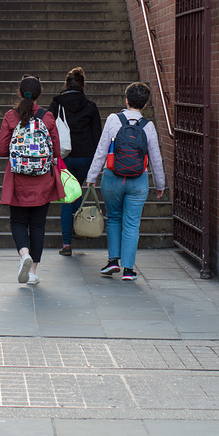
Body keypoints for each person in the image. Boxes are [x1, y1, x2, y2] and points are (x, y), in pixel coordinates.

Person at [86, 81, 165, 281]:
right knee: (132, 224)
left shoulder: (113, 120)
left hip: (113, 177)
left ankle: (113, 261)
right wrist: (160, 184)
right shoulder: (148, 126)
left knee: (113, 218)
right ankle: (128, 270)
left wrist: (92, 177)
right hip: (138, 180)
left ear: (126, 100)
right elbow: (155, 158)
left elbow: (102, 150)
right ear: (145, 105)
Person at [0, 75, 64, 284]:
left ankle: (24, 254)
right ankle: (33, 271)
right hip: (43, 180)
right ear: (39, 95)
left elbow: (1, 150)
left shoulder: (10, 116)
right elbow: (56, 151)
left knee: (17, 221)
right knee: (38, 225)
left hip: (18, 179)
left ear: (19, 93)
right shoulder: (48, 117)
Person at [48, 67, 102, 257]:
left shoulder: (56, 104)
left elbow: (48, 129)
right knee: (77, 190)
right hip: (86, 157)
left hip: (65, 157)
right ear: (82, 85)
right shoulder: (90, 106)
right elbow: (98, 137)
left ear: (66, 84)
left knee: (67, 198)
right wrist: (97, 164)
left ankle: (67, 244)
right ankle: (78, 228)